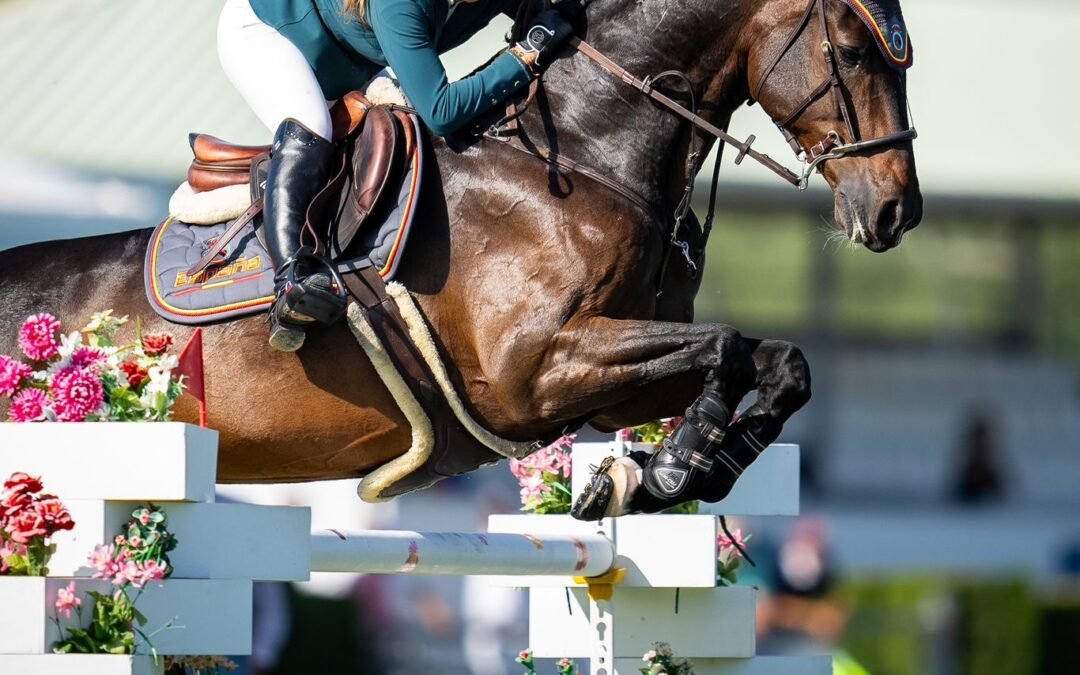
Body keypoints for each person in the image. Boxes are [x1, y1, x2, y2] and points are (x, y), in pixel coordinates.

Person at [217, 0, 573, 351]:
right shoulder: (398, 5)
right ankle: (293, 279)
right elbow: (441, 111)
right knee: (313, 123)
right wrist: (525, 57)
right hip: (264, 30)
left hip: (344, 55)